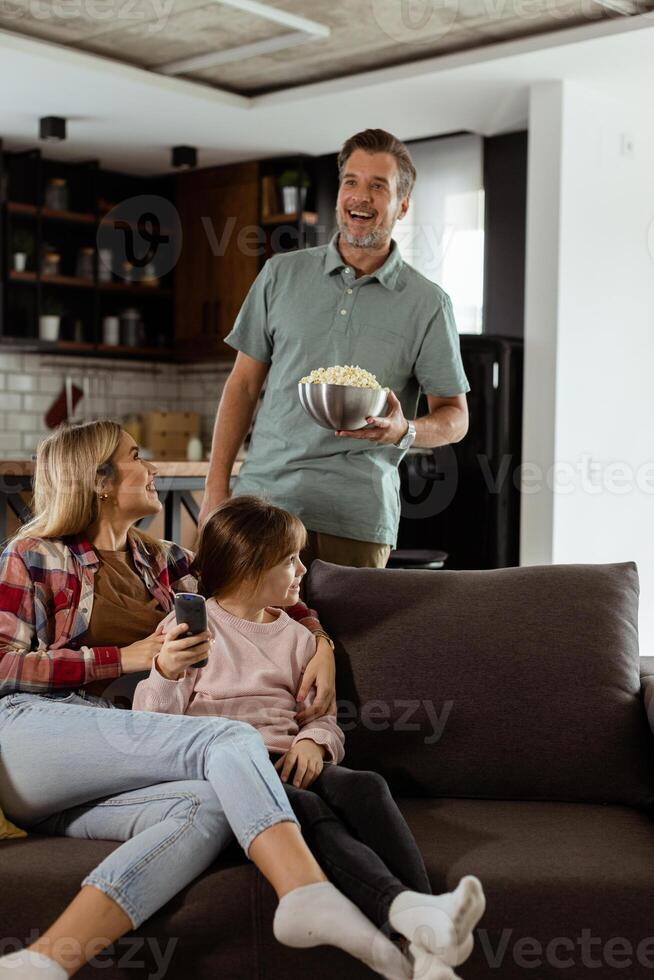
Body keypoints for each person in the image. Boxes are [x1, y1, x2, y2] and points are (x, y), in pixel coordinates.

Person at [0, 421, 407, 980]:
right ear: (97, 480)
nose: (153, 468)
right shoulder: (33, 554)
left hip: (122, 753)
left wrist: (323, 645)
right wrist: (130, 658)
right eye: (136, 457)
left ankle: (44, 963)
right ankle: (305, 894)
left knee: (209, 806)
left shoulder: (165, 561)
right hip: (34, 736)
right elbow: (3, 664)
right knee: (228, 738)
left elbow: (255, 587)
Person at [133, 495, 486, 980]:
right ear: (249, 567)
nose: (303, 570)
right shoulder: (193, 628)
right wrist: (165, 672)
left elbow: (322, 719)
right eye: (290, 560)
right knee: (312, 811)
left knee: (365, 786)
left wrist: (314, 743)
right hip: (233, 773)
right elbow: (153, 724)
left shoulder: (299, 638)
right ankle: (416, 929)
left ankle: (427, 929)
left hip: (290, 759)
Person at [199, 128, 470, 570]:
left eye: (378, 186)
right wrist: (215, 492)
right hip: (263, 508)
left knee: (344, 642)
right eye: (351, 181)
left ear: (402, 205)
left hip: (357, 520)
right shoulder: (279, 276)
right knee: (247, 638)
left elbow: (455, 418)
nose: (360, 197)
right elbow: (243, 386)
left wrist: (406, 431)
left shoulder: (427, 303)